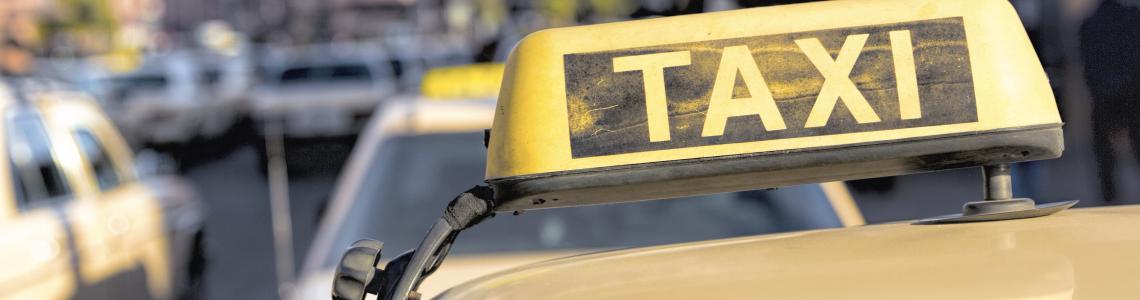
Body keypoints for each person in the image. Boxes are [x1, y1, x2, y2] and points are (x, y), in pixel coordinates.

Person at [1079, 0, 1140, 202]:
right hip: (1133, 92)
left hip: (1104, 94)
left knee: (1104, 150)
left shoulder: (1089, 24)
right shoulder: (1133, 17)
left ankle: (1109, 195)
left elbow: (1087, 65)